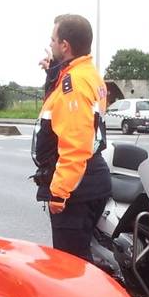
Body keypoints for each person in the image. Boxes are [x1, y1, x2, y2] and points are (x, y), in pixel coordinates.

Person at [31, 14, 111, 262]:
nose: (51, 44)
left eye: (53, 40)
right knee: (84, 262)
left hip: (76, 189)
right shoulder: (88, 73)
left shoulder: (72, 83)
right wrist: (53, 70)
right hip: (91, 178)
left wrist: (59, 192)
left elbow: (75, 145)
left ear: (64, 45)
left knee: (72, 269)